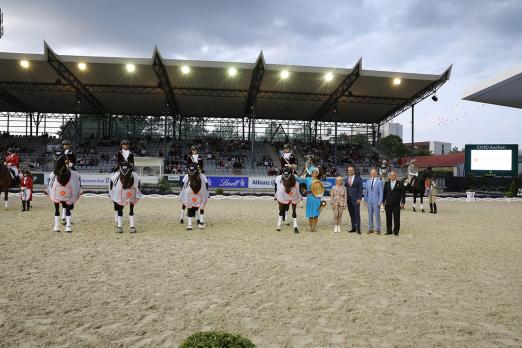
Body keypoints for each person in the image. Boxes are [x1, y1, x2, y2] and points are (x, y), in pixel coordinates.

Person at [297, 160, 325, 232]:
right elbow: (299, 180)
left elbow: (321, 190)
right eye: (314, 172)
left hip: (317, 198)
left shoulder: (319, 181)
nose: (315, 173)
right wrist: (293, 173)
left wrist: (320, 197)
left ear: (317, 173)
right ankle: (310, 227)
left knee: (316, 214)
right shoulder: (307, 179)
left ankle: (314, 227)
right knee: (310, 214)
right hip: (310, 198)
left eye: (316, 172)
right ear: (311, 173)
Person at [383, 170, 406, 236]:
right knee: (388, 218)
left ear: (396, 176)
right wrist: (383, 201)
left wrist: (403, 202)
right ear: (389, 176)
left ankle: (396, 232)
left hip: (396, 204)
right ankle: (389, 231)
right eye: (391, 175)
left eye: (394, 175)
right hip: (388, 204)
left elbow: (403, 194)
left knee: (396, 219)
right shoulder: (386, 183)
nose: (392, 176)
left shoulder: (400, 183)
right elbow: (384, 193)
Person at [364, 168, 384, 234]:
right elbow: (366, 192)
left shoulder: (380, 181)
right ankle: (370, 228)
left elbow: (381, 193)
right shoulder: (367, 181)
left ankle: (378, 229)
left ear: (376, 173)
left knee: (377, 215)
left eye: (374, 172)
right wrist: (365, 201)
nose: (373, 173)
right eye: (372, 172)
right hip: (369, 201)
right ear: (370, 173)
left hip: (376, 201)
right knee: (370, 215)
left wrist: (380, 202)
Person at [344, 165, 363, 234]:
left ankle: (358, 229)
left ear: (354, 171)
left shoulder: (358, 178)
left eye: (351, 170)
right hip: (348, 200)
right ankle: (353, 228)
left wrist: (359, 198)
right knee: (351, 214)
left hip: (356, 199)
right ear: (347, 171)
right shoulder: (346, 179)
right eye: (349, 170)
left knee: (357, 214)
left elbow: (361, 189)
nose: (350, 171)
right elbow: (345, 190)